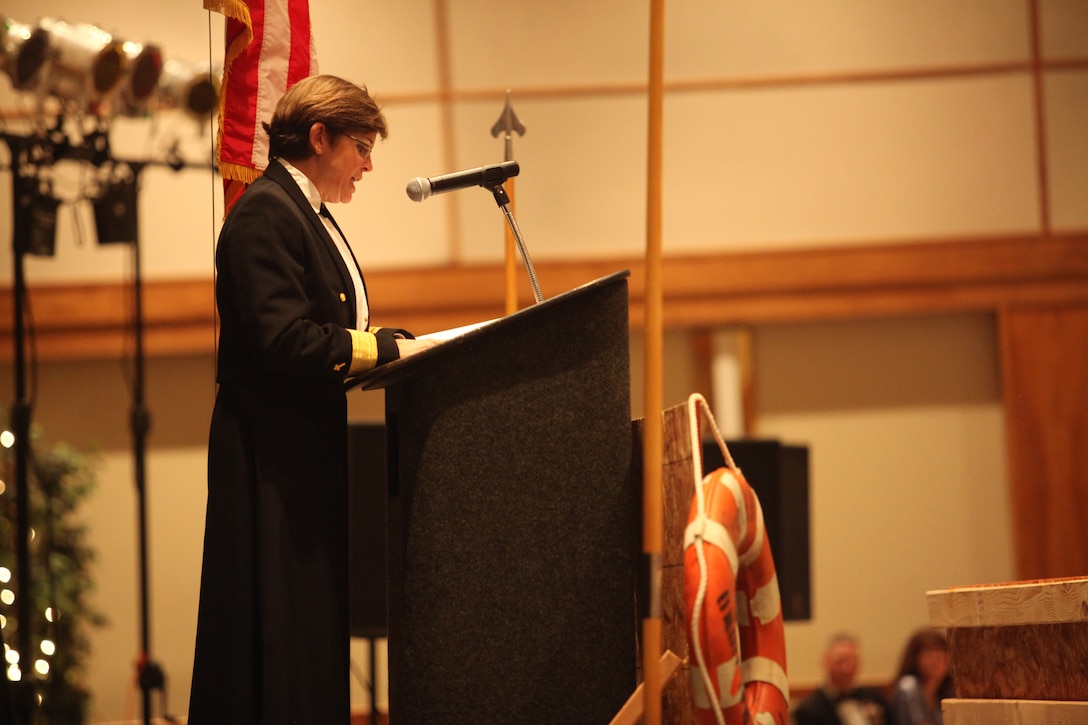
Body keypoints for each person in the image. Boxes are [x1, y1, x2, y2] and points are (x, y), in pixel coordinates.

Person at [188, 75, 434, 724]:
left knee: (305, 629)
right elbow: (284, 337)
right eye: (361, 146)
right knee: (277, 631)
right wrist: (383, 350)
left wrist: (382, 348)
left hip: (300, 451)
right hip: (269, 457)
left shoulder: (301, 211)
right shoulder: (268, 212)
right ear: (319, 138)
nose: (370, 164)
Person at [794, 632, 891, 725]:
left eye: (852, 661)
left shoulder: (874, 697)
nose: (846, 669)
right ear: (826, 662)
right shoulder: (810, 709)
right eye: (840, 661)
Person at [890, 628, 954, 725]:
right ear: (915, 659)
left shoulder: (947, 692)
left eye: (941, 653)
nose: (936, 660)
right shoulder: (908, 686)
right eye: (929, 654)